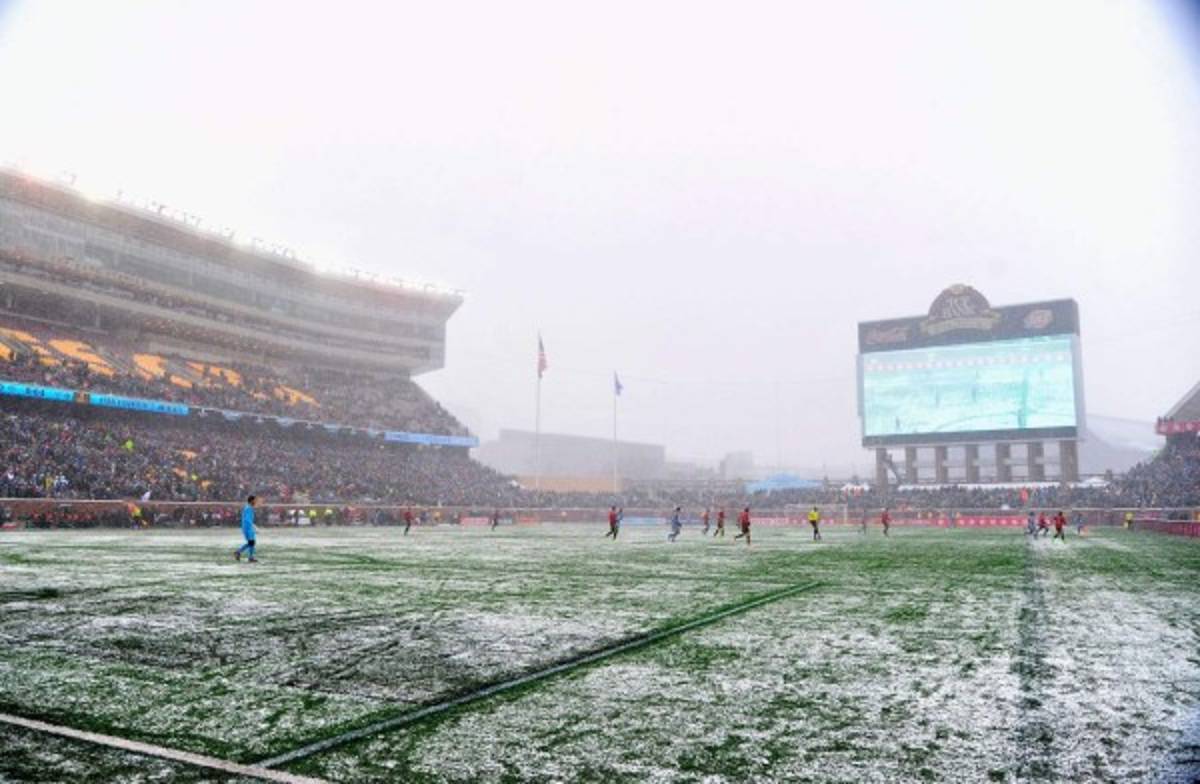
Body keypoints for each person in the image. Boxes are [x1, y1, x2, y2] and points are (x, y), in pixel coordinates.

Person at [234, 495, 258, 563]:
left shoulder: (249, 508)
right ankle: (241, 553)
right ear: (251, 500)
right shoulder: (248, 508)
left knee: (251, 543)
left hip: (248, 527)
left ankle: (242, 553)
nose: (256, 502)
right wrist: (253, 526)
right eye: (255, 500)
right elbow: (247, 519)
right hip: (248, 528)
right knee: (251, 542)